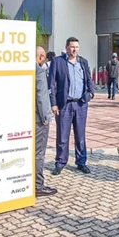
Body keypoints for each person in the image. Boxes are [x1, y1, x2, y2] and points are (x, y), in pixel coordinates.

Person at [48, 37, 96, 175]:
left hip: (80, 104)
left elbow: (89, 79)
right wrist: (53, 103)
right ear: (67, 47)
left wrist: (91, 93)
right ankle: (60, 163)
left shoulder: (83, 62)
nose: (75, 50)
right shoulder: (58, 62)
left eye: (77, 47)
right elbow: (51, 84)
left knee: (80, 136)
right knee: (62, 136)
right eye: (72, 47)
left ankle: (81, 162)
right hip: (64, 105)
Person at [34, 47, 57, 196]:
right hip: (38, 119)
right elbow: (42, 97)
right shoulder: (39, 71)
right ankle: (38, 185)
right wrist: (45, 118)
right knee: (39, 152)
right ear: (42, 57)